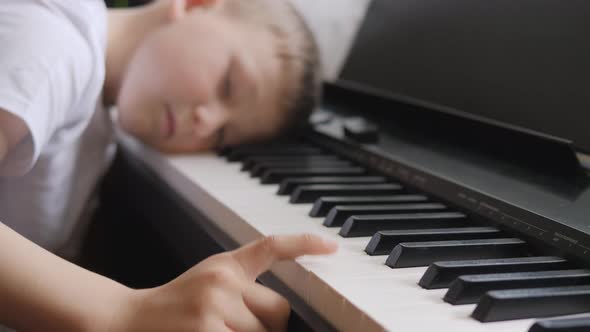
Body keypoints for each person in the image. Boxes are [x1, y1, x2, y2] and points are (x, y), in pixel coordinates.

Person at [0, 0, 332, 330]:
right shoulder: (52, 45)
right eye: (227, 84)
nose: (206, 122)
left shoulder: (97, 123)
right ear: (194, 5)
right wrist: (126, 313)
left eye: (222, 135)